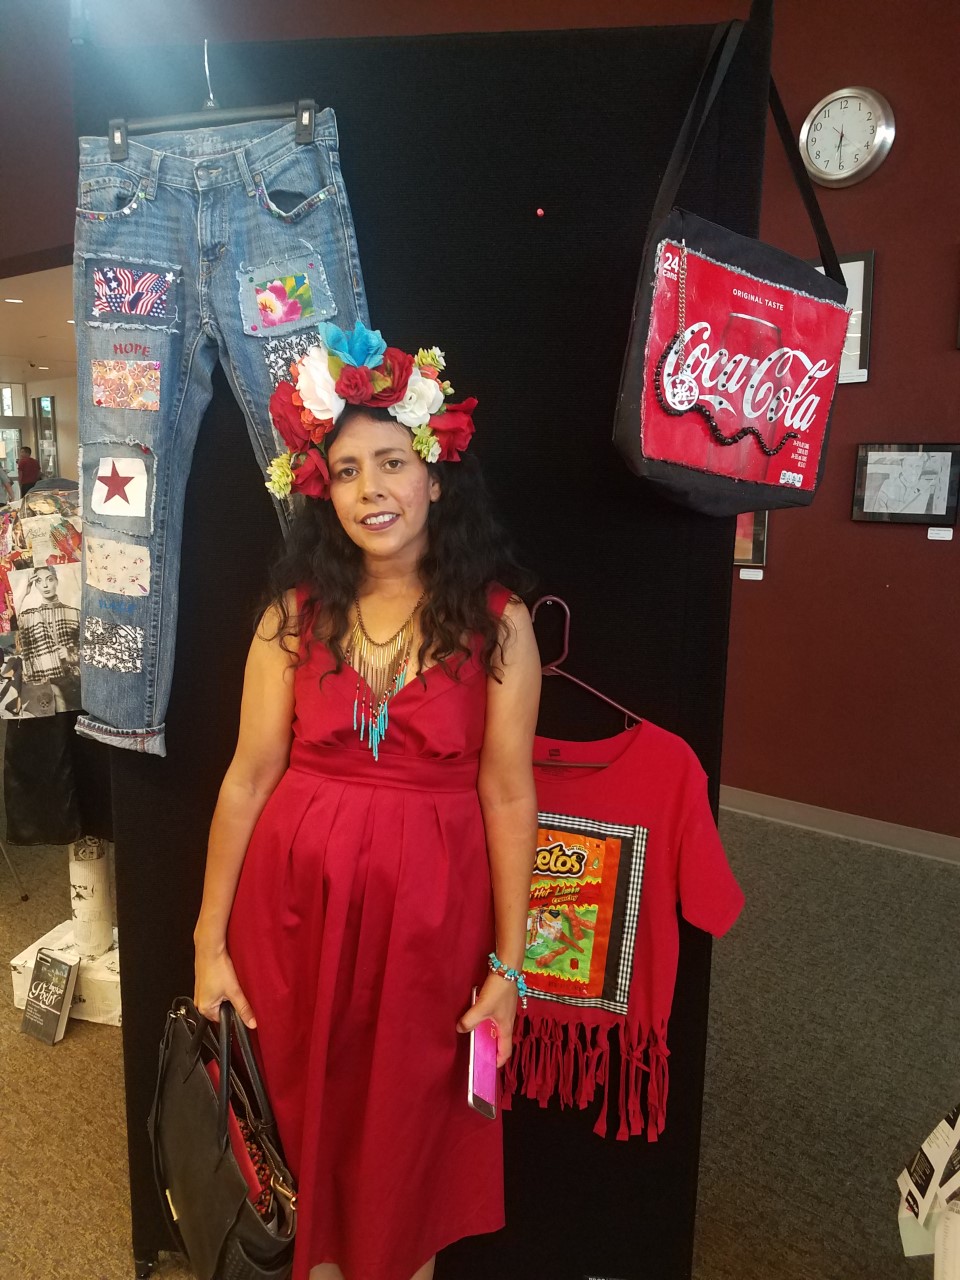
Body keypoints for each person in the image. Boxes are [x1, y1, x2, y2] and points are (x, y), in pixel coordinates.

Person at [194, 322, 541, 1280]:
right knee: (293, 1132)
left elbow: (510, 801)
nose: (371, 490)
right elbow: (246, 779)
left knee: (402, 1149)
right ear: (322, 490)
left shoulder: (501, 629)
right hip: (293, 922)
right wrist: (207, 942)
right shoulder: (291, 615)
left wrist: (510, 970)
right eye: (346, 471)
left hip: (429, 934)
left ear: (436, 474)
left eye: (392, 462)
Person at [16, 565, 81, 711]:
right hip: (43, 682)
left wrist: (71, 652)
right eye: (39, 581)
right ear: (35, 585)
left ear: (56, 581)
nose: (45, 585)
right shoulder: (29, 616)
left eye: (49, 579)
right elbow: (10, 626)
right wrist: (23, 594)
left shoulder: (75, 613)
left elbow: (92, 647)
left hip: (73, 681)